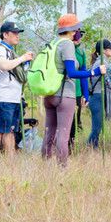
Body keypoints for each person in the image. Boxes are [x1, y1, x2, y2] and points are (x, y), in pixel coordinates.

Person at [41, 14, 105, 166]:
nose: (78, 31)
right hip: (64, 94)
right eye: (77, 29)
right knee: (63, 134)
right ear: (72, 30)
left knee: (49, 133)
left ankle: (44, 167)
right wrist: (94, 72)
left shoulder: (53, 43)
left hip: (49, 93)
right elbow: (71, 72)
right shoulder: (68, 44)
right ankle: (62, 168)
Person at [0, 21, 34, 158]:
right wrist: (22, 58)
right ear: (5, 35)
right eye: (14, 33)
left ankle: (10, 159)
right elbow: (3, 65)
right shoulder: (0, 50)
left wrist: (26, 62)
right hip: (3, 97)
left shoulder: (11, 52)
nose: (17, 36)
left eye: (18, 33)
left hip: (14, 98)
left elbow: (22, 76)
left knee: (11, 131)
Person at [88, 39, 111, 148]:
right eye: (110, 48)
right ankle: (91, 148)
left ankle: (93, 148)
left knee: (98, 127)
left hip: (99, 97)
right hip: (98, 97)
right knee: (97, 128)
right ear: (103, 51)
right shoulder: (102, 63)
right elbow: (109, 80)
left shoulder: (103, 61)